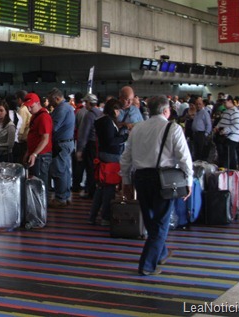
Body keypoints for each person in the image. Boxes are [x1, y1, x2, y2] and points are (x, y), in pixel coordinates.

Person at [120, 95, 193, 276]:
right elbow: (184, 158)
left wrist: (126, 181)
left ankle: (162, 253)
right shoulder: (173, 128)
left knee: (151, 219)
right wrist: (189, 181)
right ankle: (147, 265)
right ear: (166, 110)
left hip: (140, 178)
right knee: (160, 222)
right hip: (163, 179)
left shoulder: (137, 129)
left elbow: (126, 157)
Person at [89, 99, 127, 225]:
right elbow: (111, 141)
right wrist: (125, 137)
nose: (119, 113)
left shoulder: (101, 120)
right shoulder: (107, 122)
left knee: (101, 188)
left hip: (103, 156)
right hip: (111, 157)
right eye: (118, 110)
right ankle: (105, 217)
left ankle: (93, 216)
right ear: (114, 110)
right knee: (109, 188)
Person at [47, 88, 75, 208]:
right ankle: (66, 195)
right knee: (65, 171)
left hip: (61, 144)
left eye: (50, 100)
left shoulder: (61, 109)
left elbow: (53, 127)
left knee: (59, 171)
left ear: (57, 98)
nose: (49, 103)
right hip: (67, 142)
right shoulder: (67, 107)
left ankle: (60, 198)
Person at [23, 92, 53, 196]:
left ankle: (42, 209)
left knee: (41, 185)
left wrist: (34, 154)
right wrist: (28, 152)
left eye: (31, 106)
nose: (29, 109)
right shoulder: (35, 116)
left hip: (41, 156)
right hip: (36, 154)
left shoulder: (43, 117)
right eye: (27, 107)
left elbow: (45, 138)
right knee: (36, 184)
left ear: (38, 103)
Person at [75, 93, 102, 199]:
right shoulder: (100, 113)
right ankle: (94, 189)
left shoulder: (89, 115)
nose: (84, 104)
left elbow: (84, 133)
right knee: (95, 168)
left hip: (90, 145)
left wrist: (80, 149)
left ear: (89, 103)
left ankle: (91, 192)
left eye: (85, 102)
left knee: (90, 169)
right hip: (98, 145)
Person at [214, 95, 239, 169]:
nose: (223, 103)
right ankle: (233, 171)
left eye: (225, 102)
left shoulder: (235, 112)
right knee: (230, 157)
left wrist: (225, 130)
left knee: (226, 158)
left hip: (232, 138)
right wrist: (217, 127)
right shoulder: (226, 111)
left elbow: (237, 125)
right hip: (225, 137)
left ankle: (225, 171)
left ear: (230, 101)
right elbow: (221, 121)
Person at [191, 97, 212, 161]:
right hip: (195, 134)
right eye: (196, 104)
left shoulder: (205, 113)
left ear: (203, 104)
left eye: (199, 104)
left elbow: (208, 124)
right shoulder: (197, 112)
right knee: (196, 151)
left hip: (201, 134)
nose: (198, 105)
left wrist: (205, 134)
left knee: (201, 152)